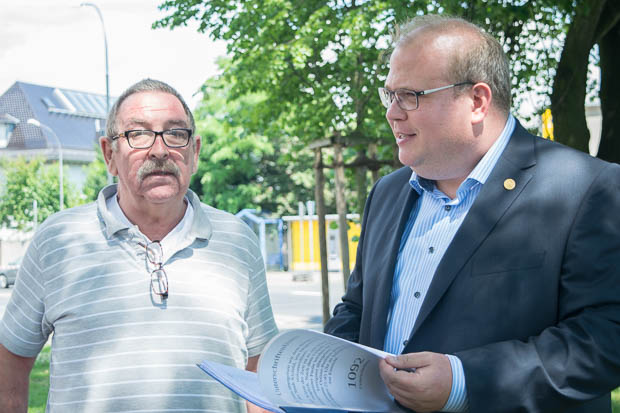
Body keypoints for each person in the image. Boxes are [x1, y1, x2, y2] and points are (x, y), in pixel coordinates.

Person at [324, 14, 620, 413]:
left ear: (477, 101)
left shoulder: (587, 187)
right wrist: (317, 370)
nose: (393, 113)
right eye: (389, 94)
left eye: (410, 95)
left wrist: (464, 381)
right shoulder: (387, 193)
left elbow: (605, 337)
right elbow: (358, 308)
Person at [0, 79, 278, 412]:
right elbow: (10, 362)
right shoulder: (58, 240)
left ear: (195, 152)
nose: (160, 150)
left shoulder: (237, 240)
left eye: (176, 133)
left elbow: (257, 369)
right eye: (138, 134)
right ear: (109, 154)